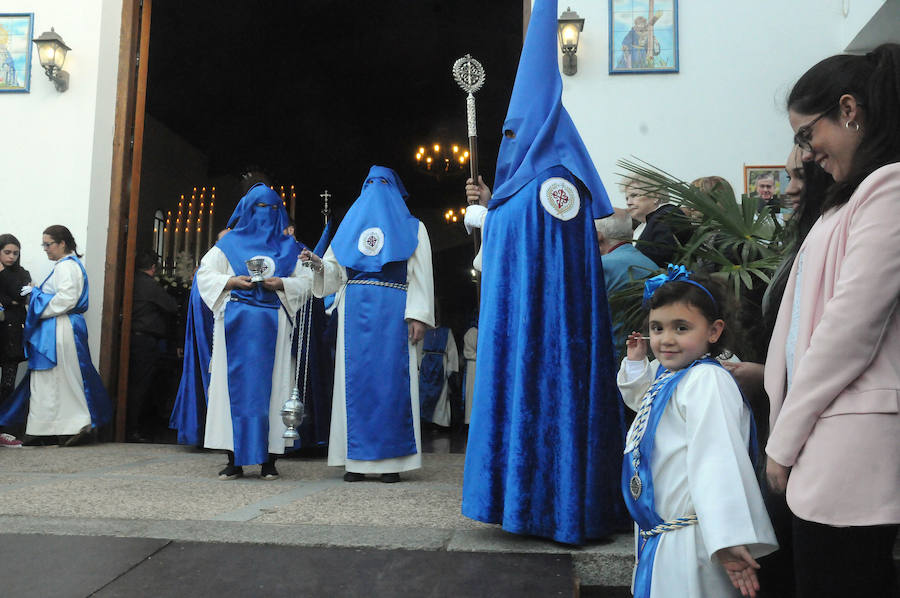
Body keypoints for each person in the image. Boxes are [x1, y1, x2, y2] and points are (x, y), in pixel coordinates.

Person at [460, 0, 625, 545]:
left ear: (539, 130)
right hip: (527, 329)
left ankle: (556, 505)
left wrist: (493, 215)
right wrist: (494, 207)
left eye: (514, 133)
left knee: (550, 406)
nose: (509, 143)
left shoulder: (557, 182)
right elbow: (518, 233)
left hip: (552, 337)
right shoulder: (535, 184)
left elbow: (541, 254)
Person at [764, 43, 900, 596]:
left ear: (850, 110)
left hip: (847, 451)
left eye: (805, 134)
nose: (806, 153)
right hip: (822, 444)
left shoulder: (888, 187)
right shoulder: (849, 197)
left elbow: (849, 330)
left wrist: (783, 441)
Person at [619, 266, 777, 598]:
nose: (667, 339)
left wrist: (727, 539)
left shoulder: (707, 380)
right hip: (663, 537)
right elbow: (644, 408)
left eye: (681, 327)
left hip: (693, 542)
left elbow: (717, 460)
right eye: (657, 328)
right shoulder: (670, 375)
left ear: (714, 331)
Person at [301, 165, 435, 484]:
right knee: (353, 384)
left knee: (391, 384)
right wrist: (319, 265)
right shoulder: (348, 227)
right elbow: (336, 273)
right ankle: (355, 460)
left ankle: (391, 461)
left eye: (383, 183)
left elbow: (421, 274)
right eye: (370, 182)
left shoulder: (414, 228)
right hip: (354, 315)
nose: (376, 188)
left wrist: (418, 314)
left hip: (395, 311)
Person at [195, 182, 313, 480]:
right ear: (248, 210)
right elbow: (205, 275)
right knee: (228, 388)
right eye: (260, 208)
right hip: (235, 321)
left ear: (280, 212)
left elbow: (307, 282)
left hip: (274, 321)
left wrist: (282, 284)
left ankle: (269, 460)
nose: (266, 214)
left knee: (275, 390)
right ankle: (233, 458)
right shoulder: (229, 244)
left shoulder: (290, 247)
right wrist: (232, 281)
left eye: (273, 209)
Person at [0, 225, 112, 446]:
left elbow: (66, 299)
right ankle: (48, 428)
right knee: (53, 378)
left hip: (61, 327)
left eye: (48, 244)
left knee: (62, 377)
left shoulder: (67, 268)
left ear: (62, 243)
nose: (45, 249)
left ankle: (74, 424)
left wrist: (37, 297)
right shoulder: (65, 266)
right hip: (57, 327)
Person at [127, 249, 178, 442]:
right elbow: (171, 306)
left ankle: (133, 426)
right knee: (141, 385)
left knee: (137, 383)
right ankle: (134, 428)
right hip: (145, 340)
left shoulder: (132, 281)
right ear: (153, 267)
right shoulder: (148, 285)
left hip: (136, 337)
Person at [594, 208, 659, 361]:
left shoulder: (600, 268)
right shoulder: (650, 265)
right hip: (644, 356)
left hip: (608, 359)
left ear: (598, 236)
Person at [0, 234, 30, 447]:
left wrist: (2, 273)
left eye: (15, 253)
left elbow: (21, 294)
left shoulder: (21, 273)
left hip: (11, 335)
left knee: (7, 385)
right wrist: (10, 300)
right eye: (7, 252)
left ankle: (4, 430)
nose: (11, 257)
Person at [623, 175, 690, 267]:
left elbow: (662, 255)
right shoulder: (644, 224)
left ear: (655, 197)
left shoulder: (668, 215)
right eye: (627, 198)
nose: (628, 202)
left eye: (634, 195)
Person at [417, 324, 458, 429]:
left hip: (441, 365)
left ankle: (440, 423)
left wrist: (450, 369)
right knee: (424, 395)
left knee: (441, 396)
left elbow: (452, 350)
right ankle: (425, 421)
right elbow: (419, 349)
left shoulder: (446, 332)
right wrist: (420, 366)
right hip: (426, 366)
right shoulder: (424, 330)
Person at [461, 318, 477, 426]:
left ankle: (469, 419)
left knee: (470, 392)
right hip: (475, 364)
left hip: (471, 365)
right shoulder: (475, 332)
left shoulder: (469, 333)